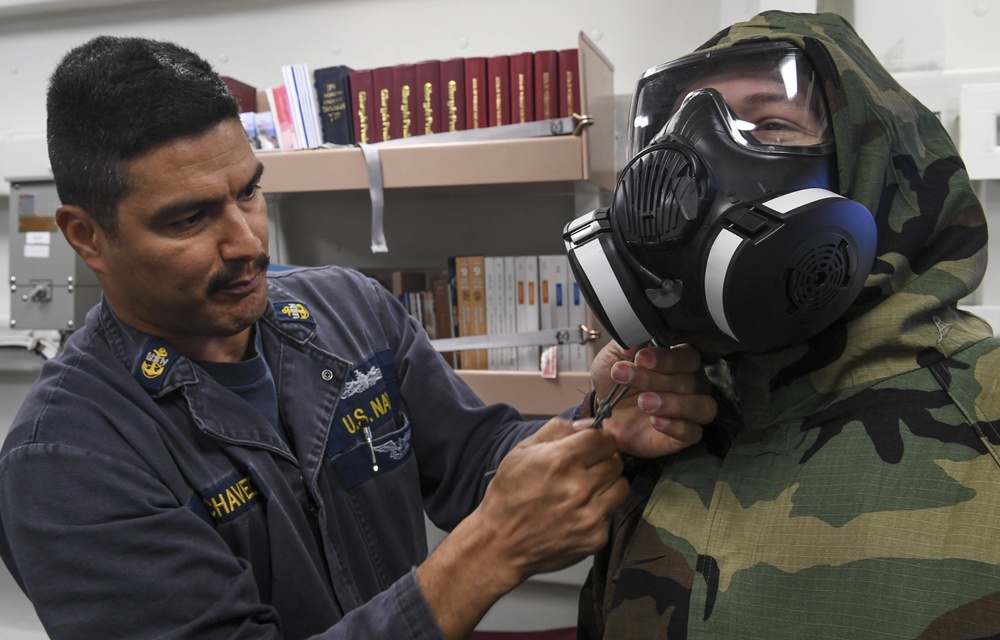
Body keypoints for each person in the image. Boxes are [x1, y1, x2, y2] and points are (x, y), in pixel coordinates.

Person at [0, 36, 718, 639]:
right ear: (86, 236)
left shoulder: (350, 312)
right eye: (189, 219)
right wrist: (486, 554)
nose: (246, 242)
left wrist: (601, 425)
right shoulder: (62, 465)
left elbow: (475, 462)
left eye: (248, 192)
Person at [572, 10, 1000, 639]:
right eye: (673, 135)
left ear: (873, 167)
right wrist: (598, 434)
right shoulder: (660, 424)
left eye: (770, 123)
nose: (695, 169)